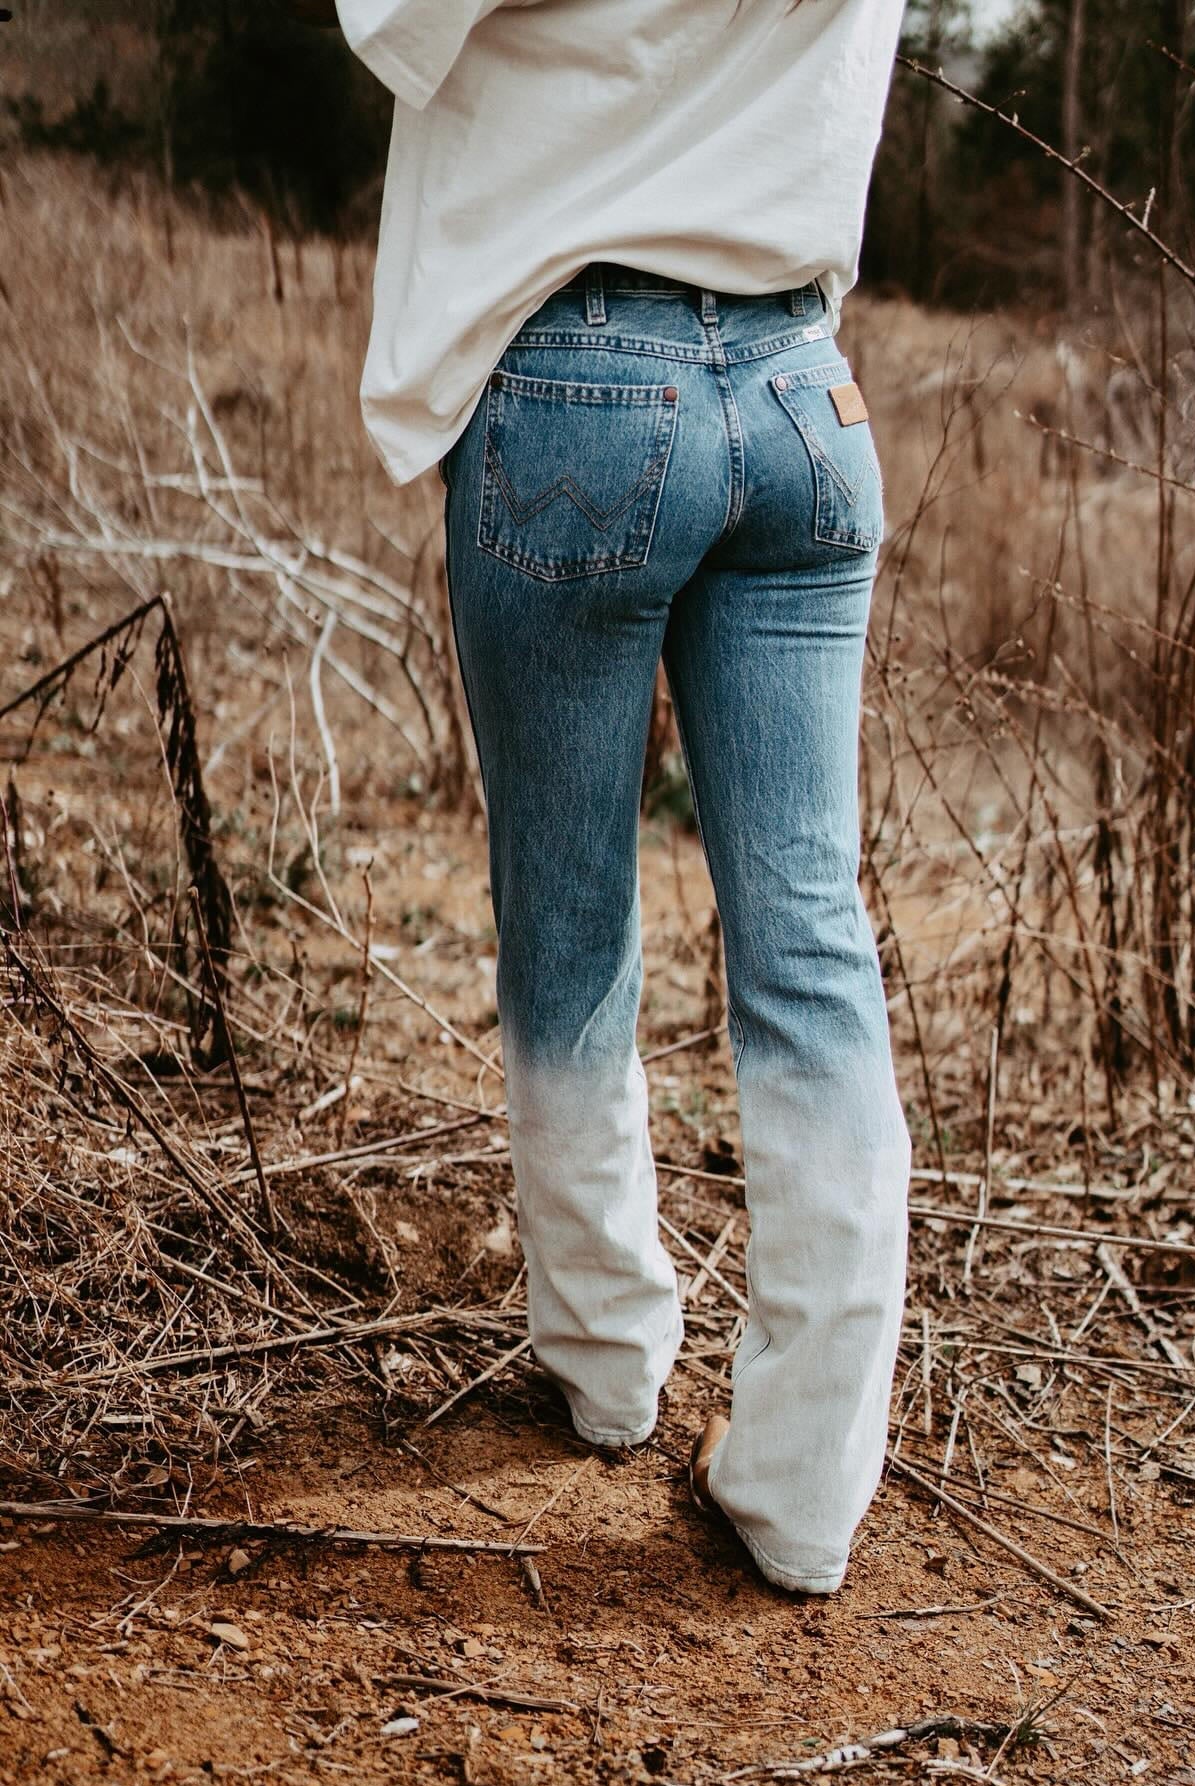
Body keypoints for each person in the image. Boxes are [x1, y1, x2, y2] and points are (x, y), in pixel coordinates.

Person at [304, 0, 912, 1596]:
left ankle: (607, 1365)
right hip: (802, 391)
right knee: (812, 944)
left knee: (568, 919)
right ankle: (802, 1490)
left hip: (576, 380)